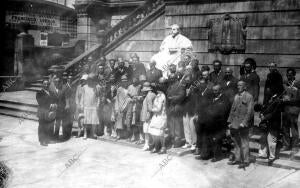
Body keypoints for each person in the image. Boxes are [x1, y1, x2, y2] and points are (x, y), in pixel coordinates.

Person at [227, 80, 254, 169]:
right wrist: (230, 121)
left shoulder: (249, 96)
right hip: (235, 123)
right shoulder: (236, 96)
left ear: (245, 87)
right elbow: (232, 110)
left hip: (243, 124)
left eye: (240, 85)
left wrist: (244, 122)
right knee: (236, 142)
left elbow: (250, 112)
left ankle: (245, 161)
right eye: (237, 85)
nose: (238, 87)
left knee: (244, 143)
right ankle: (238, 159)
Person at [205, 84, 231, 161]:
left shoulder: (224, 99)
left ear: (220, 90)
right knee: (210, 138)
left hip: (220, 123)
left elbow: (224, 112)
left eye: (216, 90)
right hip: (212, 122)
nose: (214, 92)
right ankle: (209, 154)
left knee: (217, 139)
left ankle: (217, 156)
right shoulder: (212, 98)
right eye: (213, 90)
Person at [255, 94, 282, 165]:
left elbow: (274, 113)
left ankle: (272, 157)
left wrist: (265, 117)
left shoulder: (278, 102)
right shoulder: (268, 101)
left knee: (272, 141)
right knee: (263, 140)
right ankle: (262, 155)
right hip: (265, 125)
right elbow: (262, 109)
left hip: (273, 124)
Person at [281, 68, 300, 152]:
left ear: (294, 75)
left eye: (290, 75)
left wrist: (296, 92)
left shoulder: (298, 84)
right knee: (285, 127)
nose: (289, 76)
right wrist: (283, 98)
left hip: (294, 108)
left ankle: (295, 146)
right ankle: (286, 145)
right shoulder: (284, 83)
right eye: (287, 75)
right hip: (286, 108)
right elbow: (281, 95)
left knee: (294, 128)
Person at [166, 72, 186, 147]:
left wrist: (172, 98)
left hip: (177, 107)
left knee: (177, 125)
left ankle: (178, 141)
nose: (171, 79)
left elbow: (182, 95)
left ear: (176, 78)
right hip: (171, 107)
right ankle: (172, 139)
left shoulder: (180, 85)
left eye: (172, 78)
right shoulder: (170, 85)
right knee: (171, 124)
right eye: (170, 78)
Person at [148, 82, 167, 154]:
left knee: (160, 133)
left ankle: (163, 147)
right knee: (153, 132)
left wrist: (151, 109)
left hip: (161, 116)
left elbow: (159, 109)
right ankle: (156, 147)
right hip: (155, 116)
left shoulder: (162, 96)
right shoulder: (158, 95)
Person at [80, 74, 100, 139]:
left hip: (93, 106)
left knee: (94, 121)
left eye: (91, 80)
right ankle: (85, 134)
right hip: (86, 106)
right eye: (88, 80)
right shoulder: (84, 87)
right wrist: (81, 105)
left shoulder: (96, 87)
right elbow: (82, 97)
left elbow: (98, 97)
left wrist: (98, 105)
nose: (89, 81)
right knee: (86, 121)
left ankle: (93, 133)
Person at [36, 80, 56, 146]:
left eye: (47, 84)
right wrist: (49, 105)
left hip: (49, 113)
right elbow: (40, 102)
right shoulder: (39, 93)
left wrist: (54, 104)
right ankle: (42, 140)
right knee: (42, 126)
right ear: (42, 85)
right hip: (42, 112)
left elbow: (55, 100)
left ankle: (48, 139)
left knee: (48, 126)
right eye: (45, 84)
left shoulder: (51, 92)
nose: (46, 85)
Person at [182, 74, 197, 151]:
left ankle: (194, 143)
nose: (187, 80)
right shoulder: (184, 87)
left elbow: (196, 99)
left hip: (192, 109)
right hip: (185, 109)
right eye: (186, 79)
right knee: (186, 126)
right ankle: (188, 142)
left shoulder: (194, 87)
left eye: (188, 79)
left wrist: (190, 93)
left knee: (192, 127)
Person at [113, 75, 131, 139]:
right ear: (121, 82)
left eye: (125, 81)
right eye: (123, 81)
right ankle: (118, 135)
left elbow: (130, 97)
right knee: (119, 121)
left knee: (126, 121)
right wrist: (117, 108)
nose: (124, 82)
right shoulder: (119, 89)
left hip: (128, 107)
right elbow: (117, 99)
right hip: (120, 107)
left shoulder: (129, 88)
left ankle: (126, 135)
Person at [140, 82, 156, 151]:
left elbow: (150, 108)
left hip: (148, 116)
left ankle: (149, 145)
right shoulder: (152, 94)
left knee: (147, 131)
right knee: (149, 131)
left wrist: (148, 116)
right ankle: (149, 145)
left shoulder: (149, 96)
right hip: (152, 116)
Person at [49, 76, 65, 142]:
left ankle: (56, 136)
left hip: (59, 110)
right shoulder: (51, 90)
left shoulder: (62, 90)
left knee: (58, 123)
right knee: (52, 123)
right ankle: (51, 136)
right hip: (53, 110)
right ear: (54, 82)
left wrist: (62, 107)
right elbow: (49, 99)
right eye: (55, 82)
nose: (57, 83)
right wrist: (51, 105)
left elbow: (64, 101)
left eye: (58, 82)